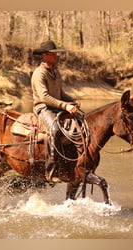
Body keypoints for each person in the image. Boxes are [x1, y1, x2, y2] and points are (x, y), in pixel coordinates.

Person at [31, 40, 81, 182]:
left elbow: (60, 94)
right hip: (43, 108)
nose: (57, 56)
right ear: (45, 55)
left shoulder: (56, 72)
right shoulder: (39, 74)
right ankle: (51, 170)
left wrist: (73, 100)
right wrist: (66, 106)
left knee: (78, 124)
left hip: (56, 107)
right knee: (55, 130)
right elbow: (45, 97)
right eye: (54, 54)